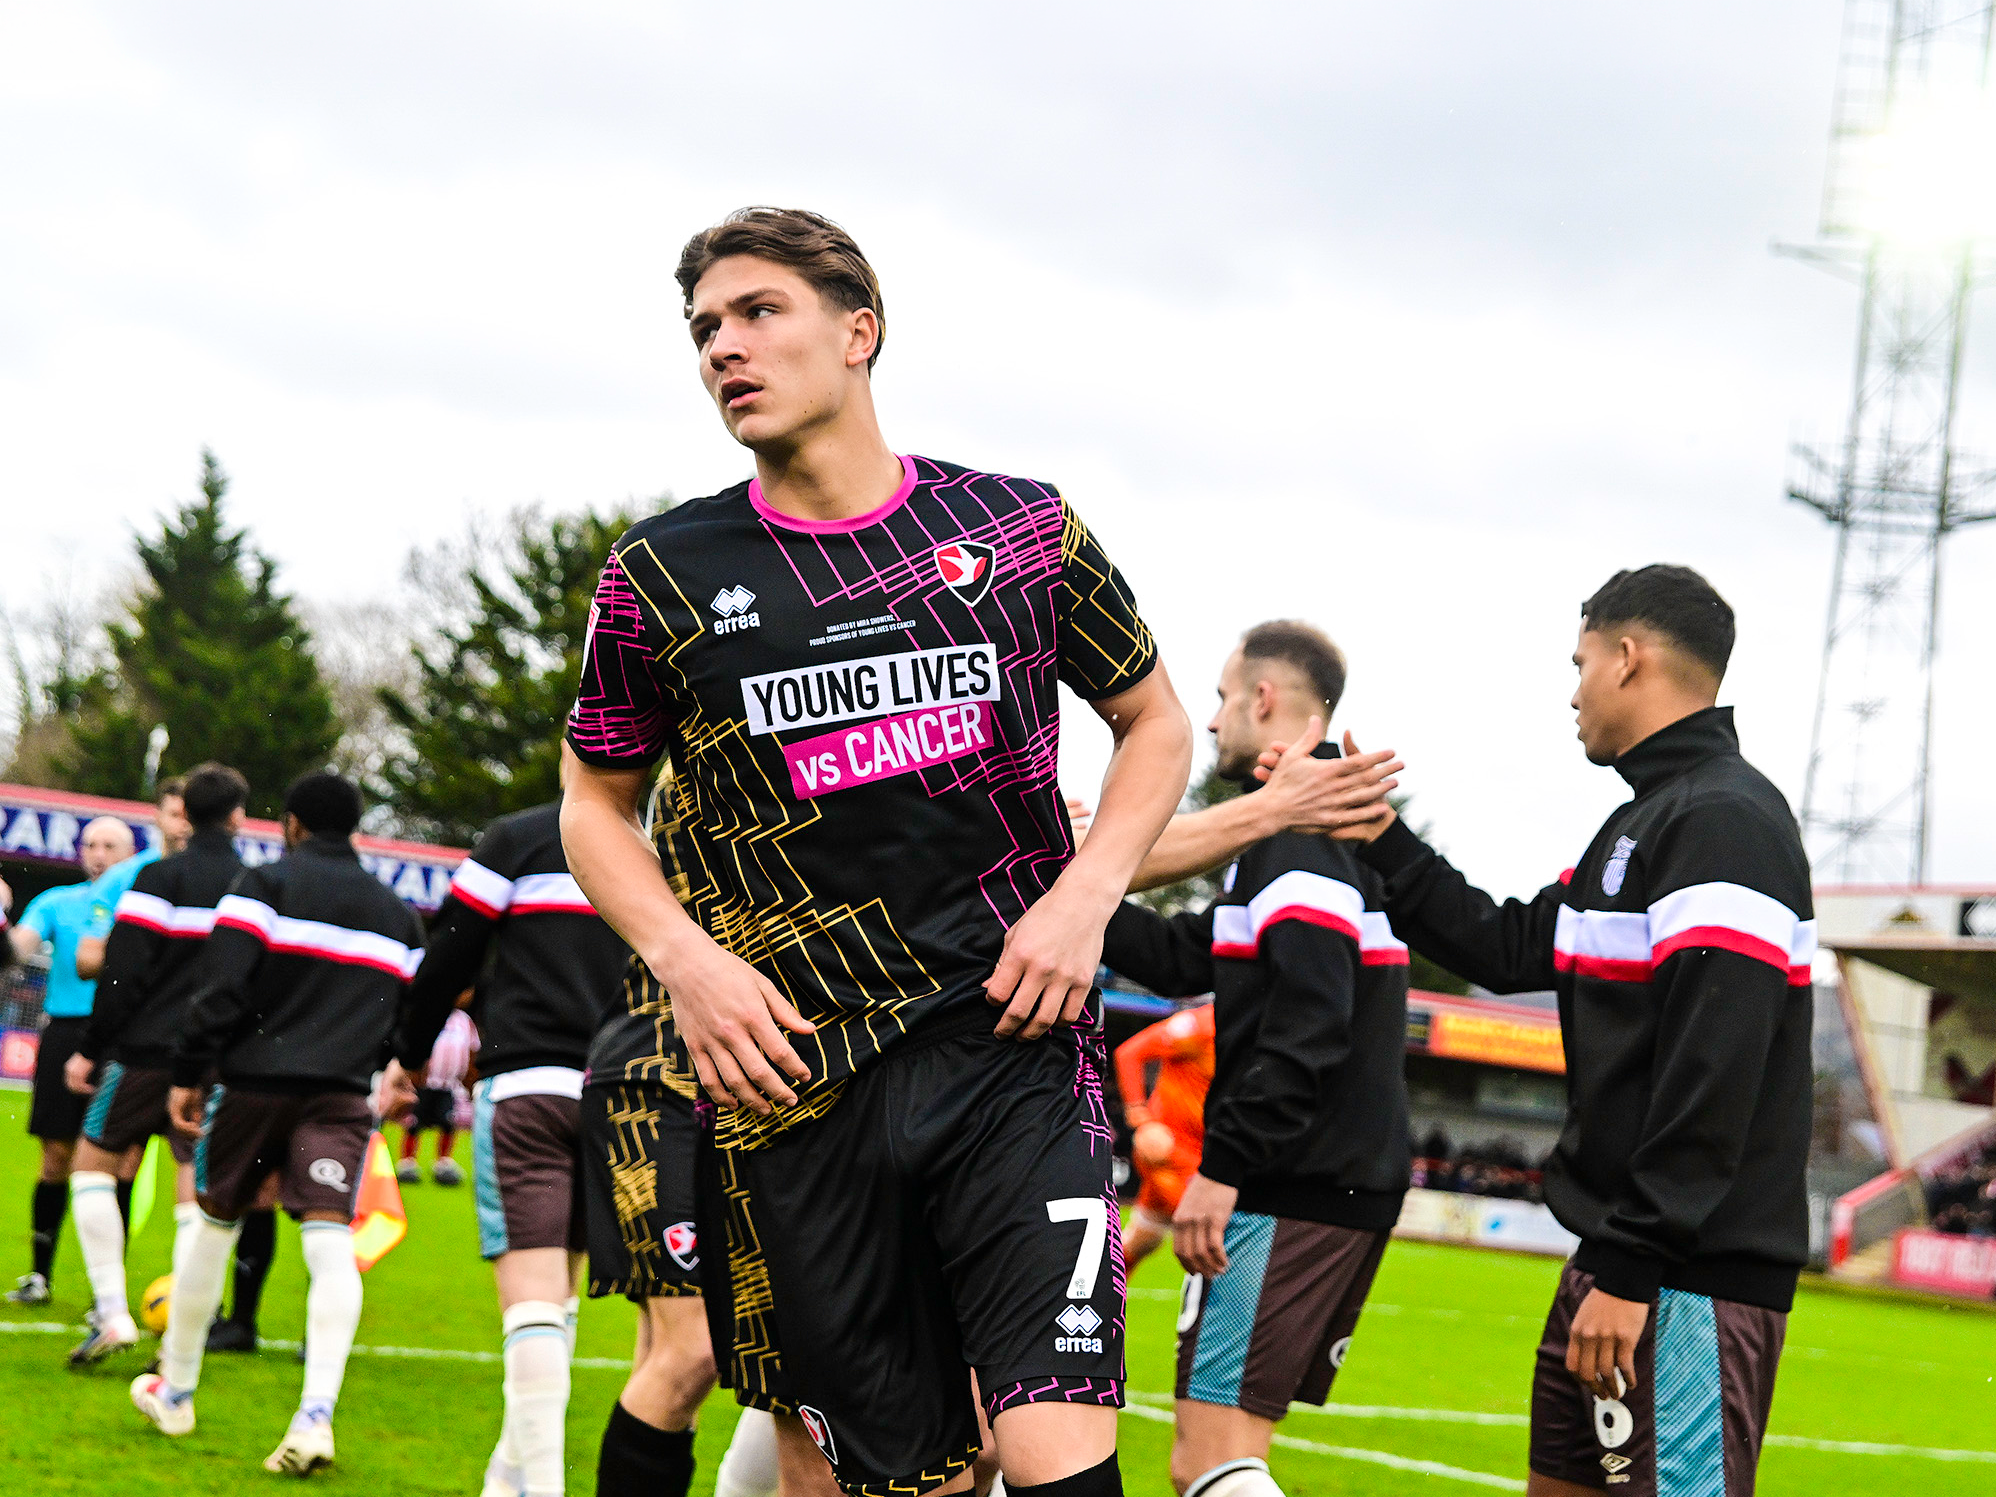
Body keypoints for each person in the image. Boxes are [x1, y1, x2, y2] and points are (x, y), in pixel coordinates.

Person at [560, 206, 1195, 1497]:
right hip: (793, 1080)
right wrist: (687, 962)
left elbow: (1154, 722)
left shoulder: (1020, 529)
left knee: (1056, 1449)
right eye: (702, 330)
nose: (722, 348)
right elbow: (593, 802)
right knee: (895, 1479)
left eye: (756, 313)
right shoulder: (662, 577)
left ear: (861, 332)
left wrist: (1084, 902)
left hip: (1008, 1046)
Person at [1312, 566, 1815, 1497]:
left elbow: (1716, 1064)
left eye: (1580, 661)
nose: (1572, 688)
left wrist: (1631, 1264)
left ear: (1629, 658)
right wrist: (1377, 833)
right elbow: (1503, 947)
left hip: (1682, 1280)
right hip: (1621, 1264)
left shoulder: (1727, 822)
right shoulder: (1642, 823)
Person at [1098, 622, 1412, 1497]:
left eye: (1221, 699)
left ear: (1263, 700)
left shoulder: (1294, 845)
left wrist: (1223, 1169)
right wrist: (1073, 876)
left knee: (1209, 1457)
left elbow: (1311, 1025)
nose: (1210, 723)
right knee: (1230, 1450)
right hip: (1331, 1179)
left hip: (1292, 1181)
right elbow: (1174, 957)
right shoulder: (1298, 850)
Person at [131, 771, 425, 1477]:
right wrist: (386, 1065)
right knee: (329, 1242)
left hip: (253, 1085)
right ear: (352, 826)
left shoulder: (262, 884)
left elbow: (220, 986)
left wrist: (187, 1073)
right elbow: (408, 1017)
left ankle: (175, 1390)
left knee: (212, 1224)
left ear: (291, 822)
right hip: (341, 1095)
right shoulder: (398, 913)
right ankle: (316, 1412)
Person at [379, 796, 629, 1497]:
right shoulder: (662, 839)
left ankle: (538, 1486)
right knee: (562, 1290)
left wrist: (408, 1051)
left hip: (527, 1084)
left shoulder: (519, 838)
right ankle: (509, 1474)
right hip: (625, 1091)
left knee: (532, 1300)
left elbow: (448, 950)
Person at [578, 772, 800, 1497]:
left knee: (674, 1351)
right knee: (695, 1348)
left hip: (725, 1079)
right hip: (660, 1079)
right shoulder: (713, 763)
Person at [62, 763, 251, 1365]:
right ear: (240, 816)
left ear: (183, 814)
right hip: (217, 1060)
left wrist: (91, 1046)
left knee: (91, 1169)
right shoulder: (257, 884)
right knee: (193, 1193)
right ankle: (180, 1340)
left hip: (144, 1052)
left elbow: (121, 973)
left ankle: (114, 1313)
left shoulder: (156, 878)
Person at [7, 815, 136, 1306]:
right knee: (56, 1155)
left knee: (120, 1161)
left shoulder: (142, 908)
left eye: (109, 844)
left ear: (128, 854)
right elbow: (17, 949)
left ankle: (108, 1293)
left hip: (123, 1038)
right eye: (90, 844)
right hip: (65, 1033)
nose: (98, 853)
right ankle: (40, 1276)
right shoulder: (57, 902)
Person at [1111, 1002, 1215, 1272]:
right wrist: (1141, 1120)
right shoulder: (1200, 1026)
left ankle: (1085, 1299)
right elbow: (1130, 1053)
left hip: (1205, 1152)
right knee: (1218, 1237)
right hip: (1173, 1151)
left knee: (1142, 1239)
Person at [75, 777, 192, 981]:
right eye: (175, 815)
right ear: (158, 817)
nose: (183, 825)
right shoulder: (119, 878)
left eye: (189, 817)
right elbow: (87, 963)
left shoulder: (213, 880)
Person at [396, 1007, 475, 1186]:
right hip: (425, 1083)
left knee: (448, 1123)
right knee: (414, 1123)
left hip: (449, 1085)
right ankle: (407, 1162)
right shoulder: (430, 1015)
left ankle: (443, 1163)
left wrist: (468, 1079)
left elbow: (472, 1049)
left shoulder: (464, 1020)